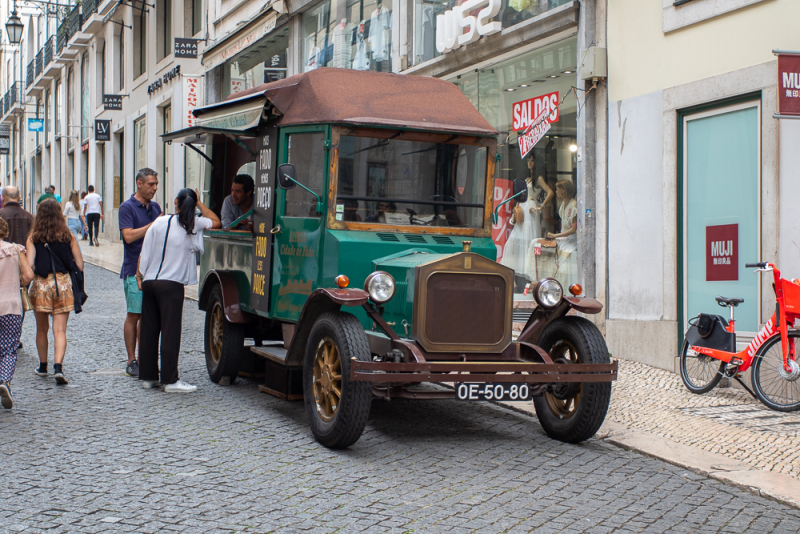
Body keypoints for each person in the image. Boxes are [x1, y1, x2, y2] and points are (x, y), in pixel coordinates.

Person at [136, 188, 220, 392]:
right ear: (193, 203)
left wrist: (140, 274)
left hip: (150, 280)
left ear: (175, 201)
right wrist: (200, 203)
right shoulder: (193, 223)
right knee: (170, 331)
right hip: (171, 284)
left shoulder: (159, 221)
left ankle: (148, 377)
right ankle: (170, 380)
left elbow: (144, 249)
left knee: (149, 329)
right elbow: (216, 221)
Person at [26, 199, 84, 385]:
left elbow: (29, 267)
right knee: (60, 330)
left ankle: (43, 366)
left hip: (41, 285)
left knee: (42, 329)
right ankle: (58, 367)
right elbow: (80, 265)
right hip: (63, 284)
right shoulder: (68, 236)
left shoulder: (33, 237)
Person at [118, 168, 162, 377]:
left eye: (156, 184)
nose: (154, 188)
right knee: (134, 314)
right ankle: (131, 359)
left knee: (149, 317)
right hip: (133, 270)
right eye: (151, 184)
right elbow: (128, 236)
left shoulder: (156, 207)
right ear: (139, 183)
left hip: (155, 270)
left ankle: (146, 358)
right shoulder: (127, 207)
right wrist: (154, 225)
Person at [0, 217, 34, 409]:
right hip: (11, 307)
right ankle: (5, 382)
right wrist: (17, 283)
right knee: (9, 348)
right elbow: (28, 275)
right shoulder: (14, 249)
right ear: (5, 232)